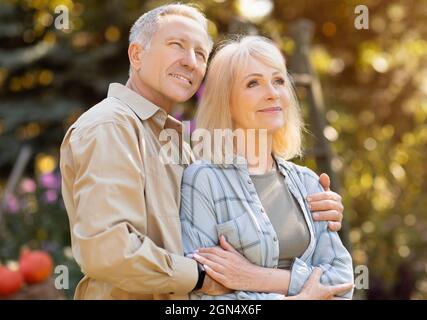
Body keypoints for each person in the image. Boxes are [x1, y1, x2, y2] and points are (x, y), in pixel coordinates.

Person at [60, 3, 347, 300]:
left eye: (200, 54)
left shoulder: (176, 142)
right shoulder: (110, 126)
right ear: (137, 54)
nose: (190, 61)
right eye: (177, 45)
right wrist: (199, 277)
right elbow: (109, 250)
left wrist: (314, 206)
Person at [180, 35, 354, 299]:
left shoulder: (308, 182)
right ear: (226, 100)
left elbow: (342, 282)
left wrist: (256, 277)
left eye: (279, 81)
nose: (272, 93)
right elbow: (204, 295)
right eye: (253, 83)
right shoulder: (204, 179)